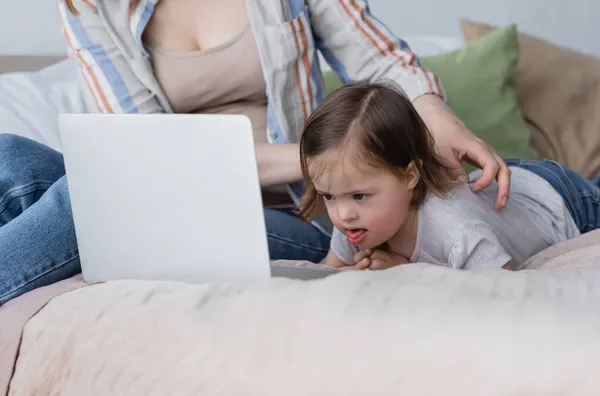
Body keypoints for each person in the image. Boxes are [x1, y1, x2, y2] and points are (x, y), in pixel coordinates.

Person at [0, 0, 509, 305]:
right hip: (176, 200)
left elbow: (379, 57)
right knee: (11, 156)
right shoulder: (94, 6)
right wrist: (328, 158)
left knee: (91, 196)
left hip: (305, 207)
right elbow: (149, 151)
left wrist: (436, 116)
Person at [299, 82, 600, 271]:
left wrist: (409, 270)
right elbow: (332, 270)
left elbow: (507, 290)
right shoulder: (354, 222)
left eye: (360, 196)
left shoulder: (455, 231)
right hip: (493, 199)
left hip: (561, 199)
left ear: (409, 177)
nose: (342, 214)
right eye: (328, 196)